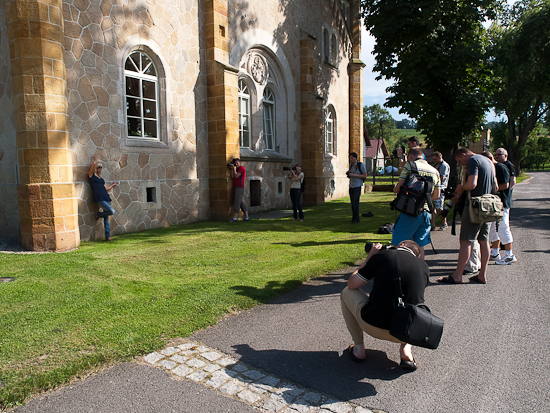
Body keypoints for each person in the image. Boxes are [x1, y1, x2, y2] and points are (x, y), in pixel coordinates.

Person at [340, 240, 429, 371]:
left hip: (373, 325)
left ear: (402, 245)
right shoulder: (424, 267)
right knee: (413, 308)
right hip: (405, 332)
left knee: (346, 292)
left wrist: (369, 258)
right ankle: (406, 351)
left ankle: (359, 349)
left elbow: (352, 284)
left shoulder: (384, 256)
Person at [438, 148, 497, 284]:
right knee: (484, 240)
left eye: (460, 161)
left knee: (466, 241)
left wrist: (461, 187)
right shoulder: (488, 161)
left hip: (474, 206)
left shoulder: (473, 161)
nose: (462, 165)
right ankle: (482, 274)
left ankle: (457, 275)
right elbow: (495, 186)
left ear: (464, 155)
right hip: (488, 205)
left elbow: (472, 184)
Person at [391, 148, 440, 260]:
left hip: (410, 210)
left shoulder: (410, 166)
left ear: (411, 156)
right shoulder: (435, 171)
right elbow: (437, 195)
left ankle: (398, 271)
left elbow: (398, 188)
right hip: (426, 212)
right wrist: (423, 200)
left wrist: (395, 189)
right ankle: (420, 272)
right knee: (419, 247)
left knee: (399, 244)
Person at [491, 148, 517, 265]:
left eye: (499, 154)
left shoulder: (506, 166)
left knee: (503, 226)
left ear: (506, 155)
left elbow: (510, 183)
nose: (497, 156)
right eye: (496, 154)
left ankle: (509, 255)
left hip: (503, 202)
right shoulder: (500, 166)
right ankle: (495, 252)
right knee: (493, 227)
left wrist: (504, 193)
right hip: (498, 201)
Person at [88, 155, 118, 241]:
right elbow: (92, 168)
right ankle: (98, 214)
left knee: (106, 218)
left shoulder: (101, 179)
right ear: (96, 168)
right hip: (99, 198)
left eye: (101, 167)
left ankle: (107, 236)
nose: (100, 169)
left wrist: (112, 185)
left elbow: (106, 189)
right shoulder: (91, 177)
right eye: (98, 167)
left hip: (106, 197)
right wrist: (95, 160)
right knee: (111, 211)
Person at [431, 151, 450, 231]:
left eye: (435, 159)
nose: (434, 161)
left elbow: (442, 177)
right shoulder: (437, 165)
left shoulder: (444, 165)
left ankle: (444, 223)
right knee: (432, 208)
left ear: (440, 157)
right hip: (435, 188)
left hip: (441, 189)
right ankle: (433, 225)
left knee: (439, 208)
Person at [346, 152, 367, 224]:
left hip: (357, 186)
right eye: (350, 158)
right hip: (351, 186)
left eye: (352, 158)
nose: (351, 159)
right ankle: (353, 218)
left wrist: (354, 175)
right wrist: (349, 174)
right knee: (352, 203)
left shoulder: (361, 165)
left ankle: (356, 219)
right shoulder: (351, 165)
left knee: (355, 203)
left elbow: (364, 175)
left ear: (355, 158)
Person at [229, 158, 249, 222]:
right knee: (241, 203)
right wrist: (232, 169)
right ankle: (246, 217)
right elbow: (232, 176)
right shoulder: (236, 169)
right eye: (235, 163)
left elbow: (237, 176)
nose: (236, 164)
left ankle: (235, 218)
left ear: (240, 162)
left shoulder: (241, 168)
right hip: (236, 187)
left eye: (237, 163)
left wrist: (234, 169)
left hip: (239, 187)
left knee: (237, 202)